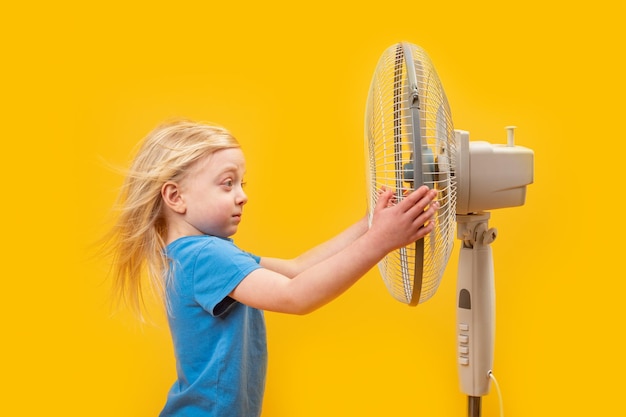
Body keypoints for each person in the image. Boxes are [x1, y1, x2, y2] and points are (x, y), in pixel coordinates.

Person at [105, 119, 439, 417]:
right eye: (227, 183)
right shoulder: (206, 256)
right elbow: (296, 296)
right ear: (176, 197)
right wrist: (380, 241)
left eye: (242, 184)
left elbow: (296, 270)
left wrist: (370, 225)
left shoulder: (200, 254)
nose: (242, 196)